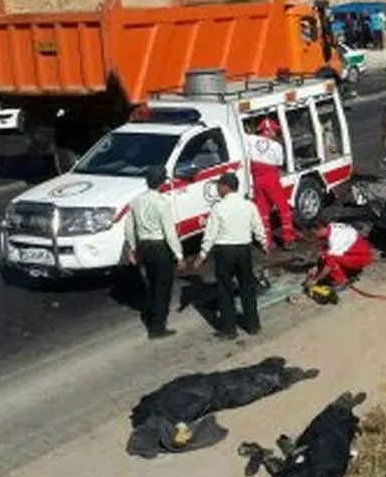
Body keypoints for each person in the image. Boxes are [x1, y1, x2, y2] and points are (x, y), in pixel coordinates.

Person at [191, 173, 267, 340]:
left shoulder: (218, 208)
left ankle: (229, 329)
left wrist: (202, 255)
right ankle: (253, 325)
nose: (218, 188)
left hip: (224, 252)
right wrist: (263, 244)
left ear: (226, 186)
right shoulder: (248, 205)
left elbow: (210, 234)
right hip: (243, 250)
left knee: (225, 290)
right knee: (247, 287)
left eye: (219, 185)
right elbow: (258, 227)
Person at [124, 165, 184, 340]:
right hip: (159, 248)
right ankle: (158, 327)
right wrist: (178, 255)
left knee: (151, 285)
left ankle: (151, 319)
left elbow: (129, 228)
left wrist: (133, 247)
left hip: (144, 247)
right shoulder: (161, 203)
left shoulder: (135, 201)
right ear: (163, 182)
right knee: (162, 289)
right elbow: (169, 232)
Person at [246, 117, 296, 250]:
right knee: (284, 208)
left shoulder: (250, 139)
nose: (275, 133)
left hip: (257, 179)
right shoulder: (276, 146)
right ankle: (288, 239)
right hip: (271, 178)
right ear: (267, 130)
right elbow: (279, 163)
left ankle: (267, 242)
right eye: (274, 130)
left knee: (263, 211)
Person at [305, 220, 373, 288]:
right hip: (358, 251)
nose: (314, 236)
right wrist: (316, 267)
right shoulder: (331, 227)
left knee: (331, 260)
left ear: (320, 228)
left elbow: (329, 264)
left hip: (361, 257)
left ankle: (341, 281)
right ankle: (348, 271)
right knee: (327, 255)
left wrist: (316, 279)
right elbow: (326, 250)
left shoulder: (336, 238)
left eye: (314, 233)